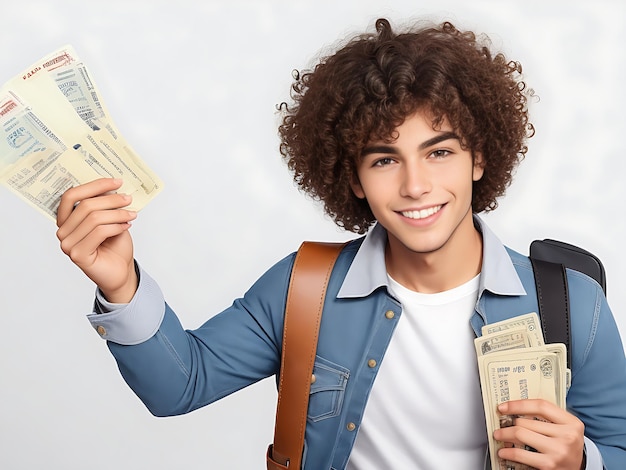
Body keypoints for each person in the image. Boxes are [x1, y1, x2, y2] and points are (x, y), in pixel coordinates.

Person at [55, 18, 626, 469]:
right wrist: (121, 284)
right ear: (352, 178)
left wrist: (582, 463)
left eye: (440, 151)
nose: (415, 185)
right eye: (384, 159)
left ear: (479, 158)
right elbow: (181, 385)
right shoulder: (305, 288)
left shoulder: (572, 303)